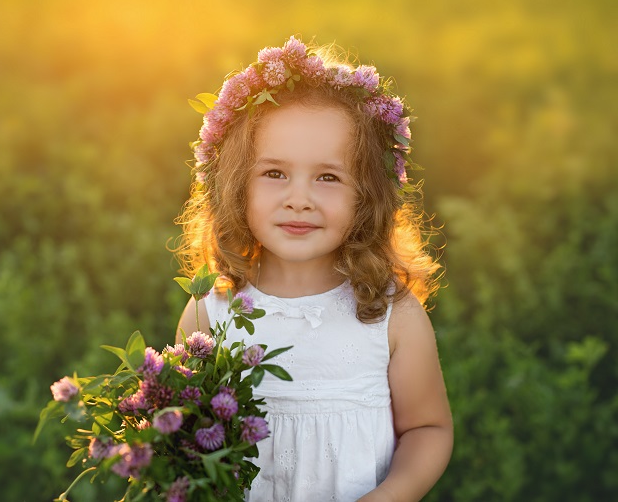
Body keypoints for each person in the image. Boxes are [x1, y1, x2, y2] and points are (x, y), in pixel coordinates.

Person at [176, 36, 453, 502]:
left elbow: (428, 428)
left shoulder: (389, 313)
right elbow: (188, 437)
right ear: (236, 186)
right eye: (274, 173)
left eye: (328, 177)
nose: (298, 198)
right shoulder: (212, 313)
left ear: (365, 195)